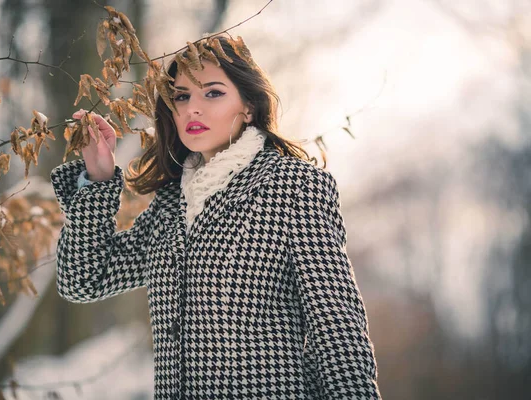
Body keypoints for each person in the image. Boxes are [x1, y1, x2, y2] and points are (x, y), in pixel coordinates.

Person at [51, 36, 382, 399]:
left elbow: (336, 331)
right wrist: (97, 179)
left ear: (249, 107)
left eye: (212, 93)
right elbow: (84, 281)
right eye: (181, 96)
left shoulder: (293, 187)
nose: (193, 108)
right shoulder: (171, 204)